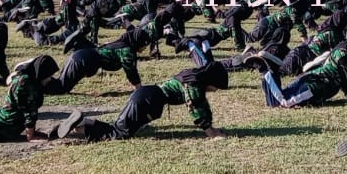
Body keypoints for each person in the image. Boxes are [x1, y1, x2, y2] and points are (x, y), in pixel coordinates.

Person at [62, 62, 230, 141]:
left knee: (122, 128)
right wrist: (212, 134)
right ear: (211, 80)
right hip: (146, 102)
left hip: (146, 96)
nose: (215, 91)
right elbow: (197, 109)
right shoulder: (193, 84)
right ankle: (82, 126)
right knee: (119, 133)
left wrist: (213, 127)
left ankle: (84, 123)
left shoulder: (193, 76)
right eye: (216, 87)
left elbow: (203, 105)